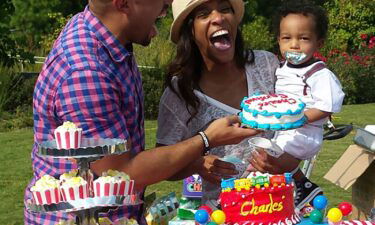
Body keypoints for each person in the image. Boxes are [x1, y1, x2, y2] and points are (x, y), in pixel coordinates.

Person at [25, 0, 258, 224]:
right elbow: (120, 174)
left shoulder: (104, 36)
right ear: (124, 4)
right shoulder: (87, 72)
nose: (168, 2)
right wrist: (206, 138)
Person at [156, 0, 303, 209]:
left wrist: (291, 159)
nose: (218, 18)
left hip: (279, 208)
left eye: (225, 9)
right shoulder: (180, 94)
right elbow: (164, 165)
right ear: (190, 30)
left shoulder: (266, 65)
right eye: (204, 14)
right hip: (222, 214)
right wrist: (196, 165)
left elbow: (298, 116)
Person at [271, 0, 345, 209]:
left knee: (268, 157)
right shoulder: (283, 67)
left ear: (318, 43)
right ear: (278, 40)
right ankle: (296, 190)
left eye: (303, 38)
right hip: (285, 131)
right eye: (287, 38)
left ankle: (301, 186)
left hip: (305, 133)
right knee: (262, 154)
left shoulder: (318, 73)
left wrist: (299, 119)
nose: (294, 45)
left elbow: (327, 105)